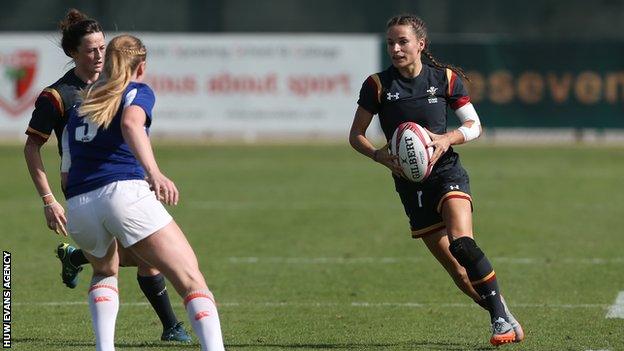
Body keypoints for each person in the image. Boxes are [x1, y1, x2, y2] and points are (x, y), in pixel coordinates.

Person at [348, 14, 524, 346]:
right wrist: (377, 155)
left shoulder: (444, 78)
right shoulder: (377, 85)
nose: (396, 49)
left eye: (403, 42)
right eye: (390, 43)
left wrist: (446, 139)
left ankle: (500, 319)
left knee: (462, 242)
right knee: (458, 272)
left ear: (420, 44)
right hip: (410, 186)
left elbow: (474, 125)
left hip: (447, 173)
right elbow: (356, 135)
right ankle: (500, 310)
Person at [23, 9, 191, 342]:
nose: (99, 55)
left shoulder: (113, 84)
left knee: (139, 255)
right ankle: (170, 326)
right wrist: (48, 200)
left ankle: (77, 258)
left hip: (123, 179)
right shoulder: (58, 96)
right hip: (84, 186)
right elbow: (32, 148)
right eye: (91, 49)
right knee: (137, 256)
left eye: (103, 47)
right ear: (74, 53)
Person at [63, 33, 225, 351]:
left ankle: (104, 347)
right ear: (141, 66)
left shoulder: (82, 104)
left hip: (79, 204)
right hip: (123, 193)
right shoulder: (137, 91)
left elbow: (66, 170)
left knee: (104, 272)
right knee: (191, 278)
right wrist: (154, 173)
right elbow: (132, 124)